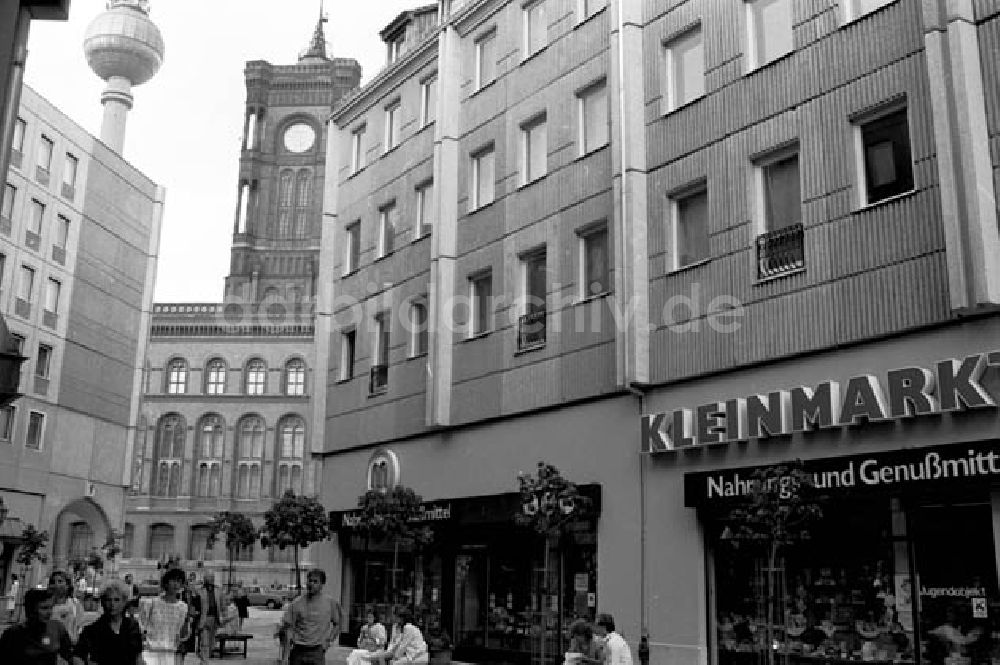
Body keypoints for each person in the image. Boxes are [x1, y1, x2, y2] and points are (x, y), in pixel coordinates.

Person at [73, 578, 143, 665]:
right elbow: (77, 657)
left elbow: (138, 657)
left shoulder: (133, 626)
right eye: (108, 600)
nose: (112, 604)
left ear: (124, 602)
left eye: (116, 600)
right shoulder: (92, 630)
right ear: (102, 602)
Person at [279, 569, 342, 665]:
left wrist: (328, 641)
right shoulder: (296, 603)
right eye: (309, 580)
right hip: (298, 650)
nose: (311, 584)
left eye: (315, 581)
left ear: (322, 584)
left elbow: (337, 624)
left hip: (317, 651)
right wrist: (285, 657)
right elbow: (288, 630)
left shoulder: (330, 603)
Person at [0, 587, 74, 664]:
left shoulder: (57, 628)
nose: (49, 612)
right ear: (31, 610)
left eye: (51, 608)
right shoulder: (13, 634)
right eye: (44, 608)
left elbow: (70, 655)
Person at [137, 567, 192, 665]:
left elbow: (182, 634)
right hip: (151, 652)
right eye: (173, 580)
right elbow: (141, 626)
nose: (176, 584)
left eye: (179, 581)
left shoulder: (183, 607)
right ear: (166, 583)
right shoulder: (151, 603)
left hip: (170, 653)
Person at [193, 571, 226, 664]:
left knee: (211, 643)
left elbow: (223, 605)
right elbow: (194, 602)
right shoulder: (199, 590)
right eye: (208, 578)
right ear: (205, 579)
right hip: (204, 618)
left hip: (215, 618)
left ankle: (203, 657)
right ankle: (204, 661)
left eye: (211, 578)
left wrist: (223, 616)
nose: (210, 579)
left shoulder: (219, 590)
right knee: (204, 642)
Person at [50, 569, 85, 643]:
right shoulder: (47, 604)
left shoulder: (75, 604)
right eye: (53, 582)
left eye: (60, 581)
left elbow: (80, 625)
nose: (56, 585)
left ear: (67, 585)